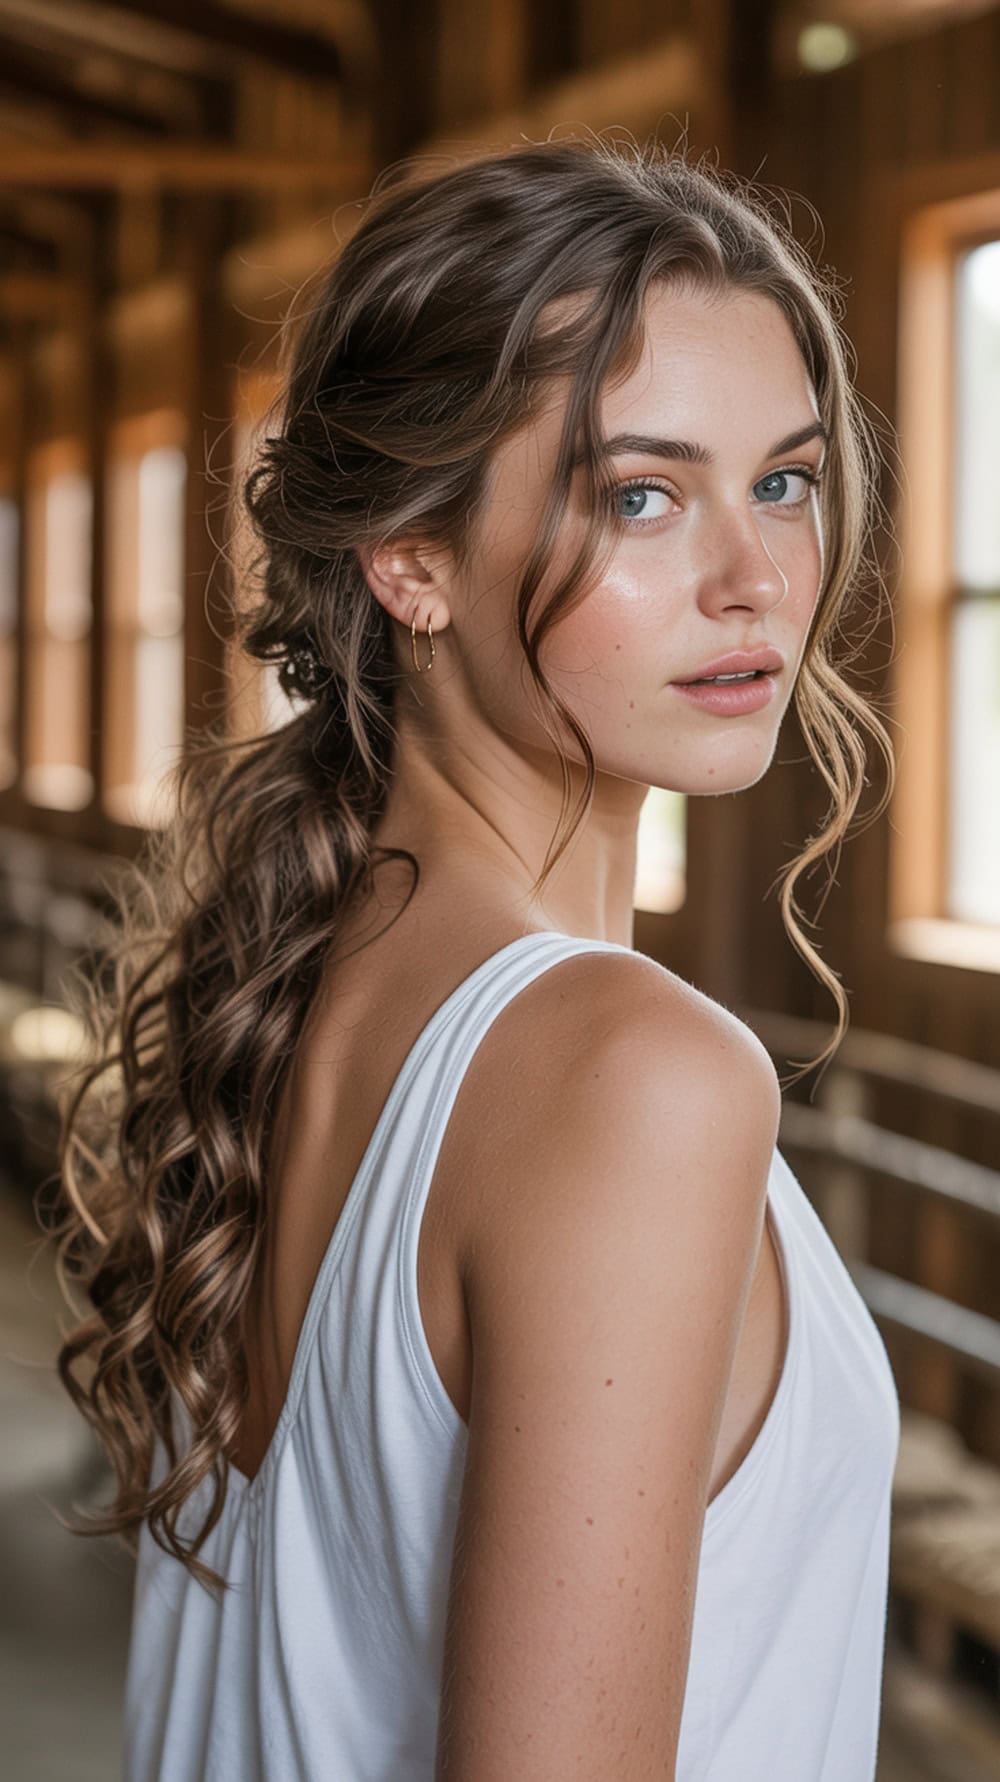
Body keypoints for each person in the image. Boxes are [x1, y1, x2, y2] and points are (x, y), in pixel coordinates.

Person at [51, 136, 900, 1779]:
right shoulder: (632, 1074)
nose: (756, 579)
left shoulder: (305, 971)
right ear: (410, 559)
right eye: (641, 493)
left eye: (783, 479)